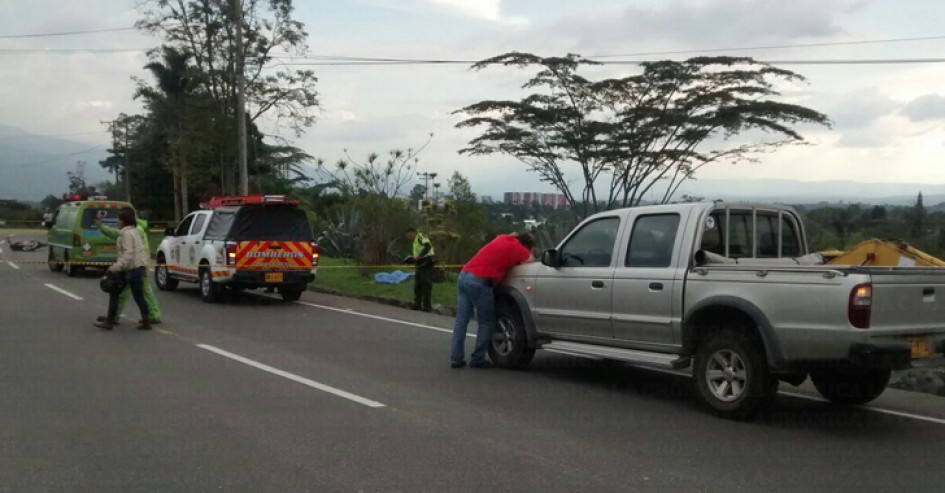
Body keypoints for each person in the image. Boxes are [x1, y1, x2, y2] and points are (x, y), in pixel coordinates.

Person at [451, 232, 536, 369]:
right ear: (526, 246)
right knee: (487, 321)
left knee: (461, 321)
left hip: (464, 275)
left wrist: (513, 235)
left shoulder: (502, 238)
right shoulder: (520, 250)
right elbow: (531, 260)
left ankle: (456, 358)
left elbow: (506, 238)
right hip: (480, 281)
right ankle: (478, 358)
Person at [96, 217, 162, 325]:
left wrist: (116, 267)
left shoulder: (132, 232)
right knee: (139, 294)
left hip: (133, 267)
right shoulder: (137, 229)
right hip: (139, 265)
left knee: (133, 293)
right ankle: (148, 317)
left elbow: (127, 250)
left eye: (119, 219)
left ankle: (152, 315)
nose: (117, 222)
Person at [405, 227, 436, 312]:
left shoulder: (420, 236)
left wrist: (418, 256)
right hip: (420, 263)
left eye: (408, 236)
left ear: (411, 233)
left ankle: (427, 306)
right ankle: (417, 304)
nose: (408, 238)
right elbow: (417, 254)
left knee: (426, 284)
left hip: (427, 261)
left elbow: (428, 246)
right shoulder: (414, 242)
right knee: (417, 284)